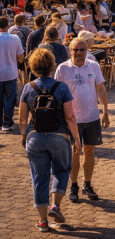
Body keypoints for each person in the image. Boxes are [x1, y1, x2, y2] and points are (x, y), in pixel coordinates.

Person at [19, 47, 83, 233]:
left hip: (35, 137)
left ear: (33, 67)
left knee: (39, 177)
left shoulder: (28, 88)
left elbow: (22, 119)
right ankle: (55, 205)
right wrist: (76, 140)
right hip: (59, 137)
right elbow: (70, 117)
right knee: (62, 170)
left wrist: (25, 135)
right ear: (51, 65)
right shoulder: (61, 87)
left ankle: (42, 221)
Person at [54, 37, 109, 202]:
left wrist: (105, 111)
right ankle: (74, 185)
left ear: (87, 51)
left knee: (90, 152)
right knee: (75, 153)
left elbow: (100, 88)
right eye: (75, 50)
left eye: (82, 50)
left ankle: (87, 184)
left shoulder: (93, 66)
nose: (78, 53)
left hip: (92, 117)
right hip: (72, 120)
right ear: (70, 50)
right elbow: (56, 94)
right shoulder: (62, 69)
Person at [1, 16, 25, 132]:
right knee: (9, 99)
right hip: (11, 73)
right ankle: (7, 123)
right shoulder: (15, 38)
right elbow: (21, 57)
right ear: (8, 25)